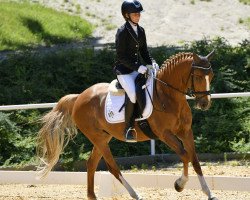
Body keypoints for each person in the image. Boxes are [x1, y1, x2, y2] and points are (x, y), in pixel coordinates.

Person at [113, 0, 159, 142]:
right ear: (127, 15)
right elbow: (121, 56)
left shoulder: (141, 30)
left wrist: (152, 62)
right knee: (133, 95)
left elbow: (144, 51)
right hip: (124, 71)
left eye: (139, 13)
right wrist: (138, 67)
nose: (138, 16)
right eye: (135, 14)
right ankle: (128, 128)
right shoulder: (122, 32)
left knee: (150, 88)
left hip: (138, 69)